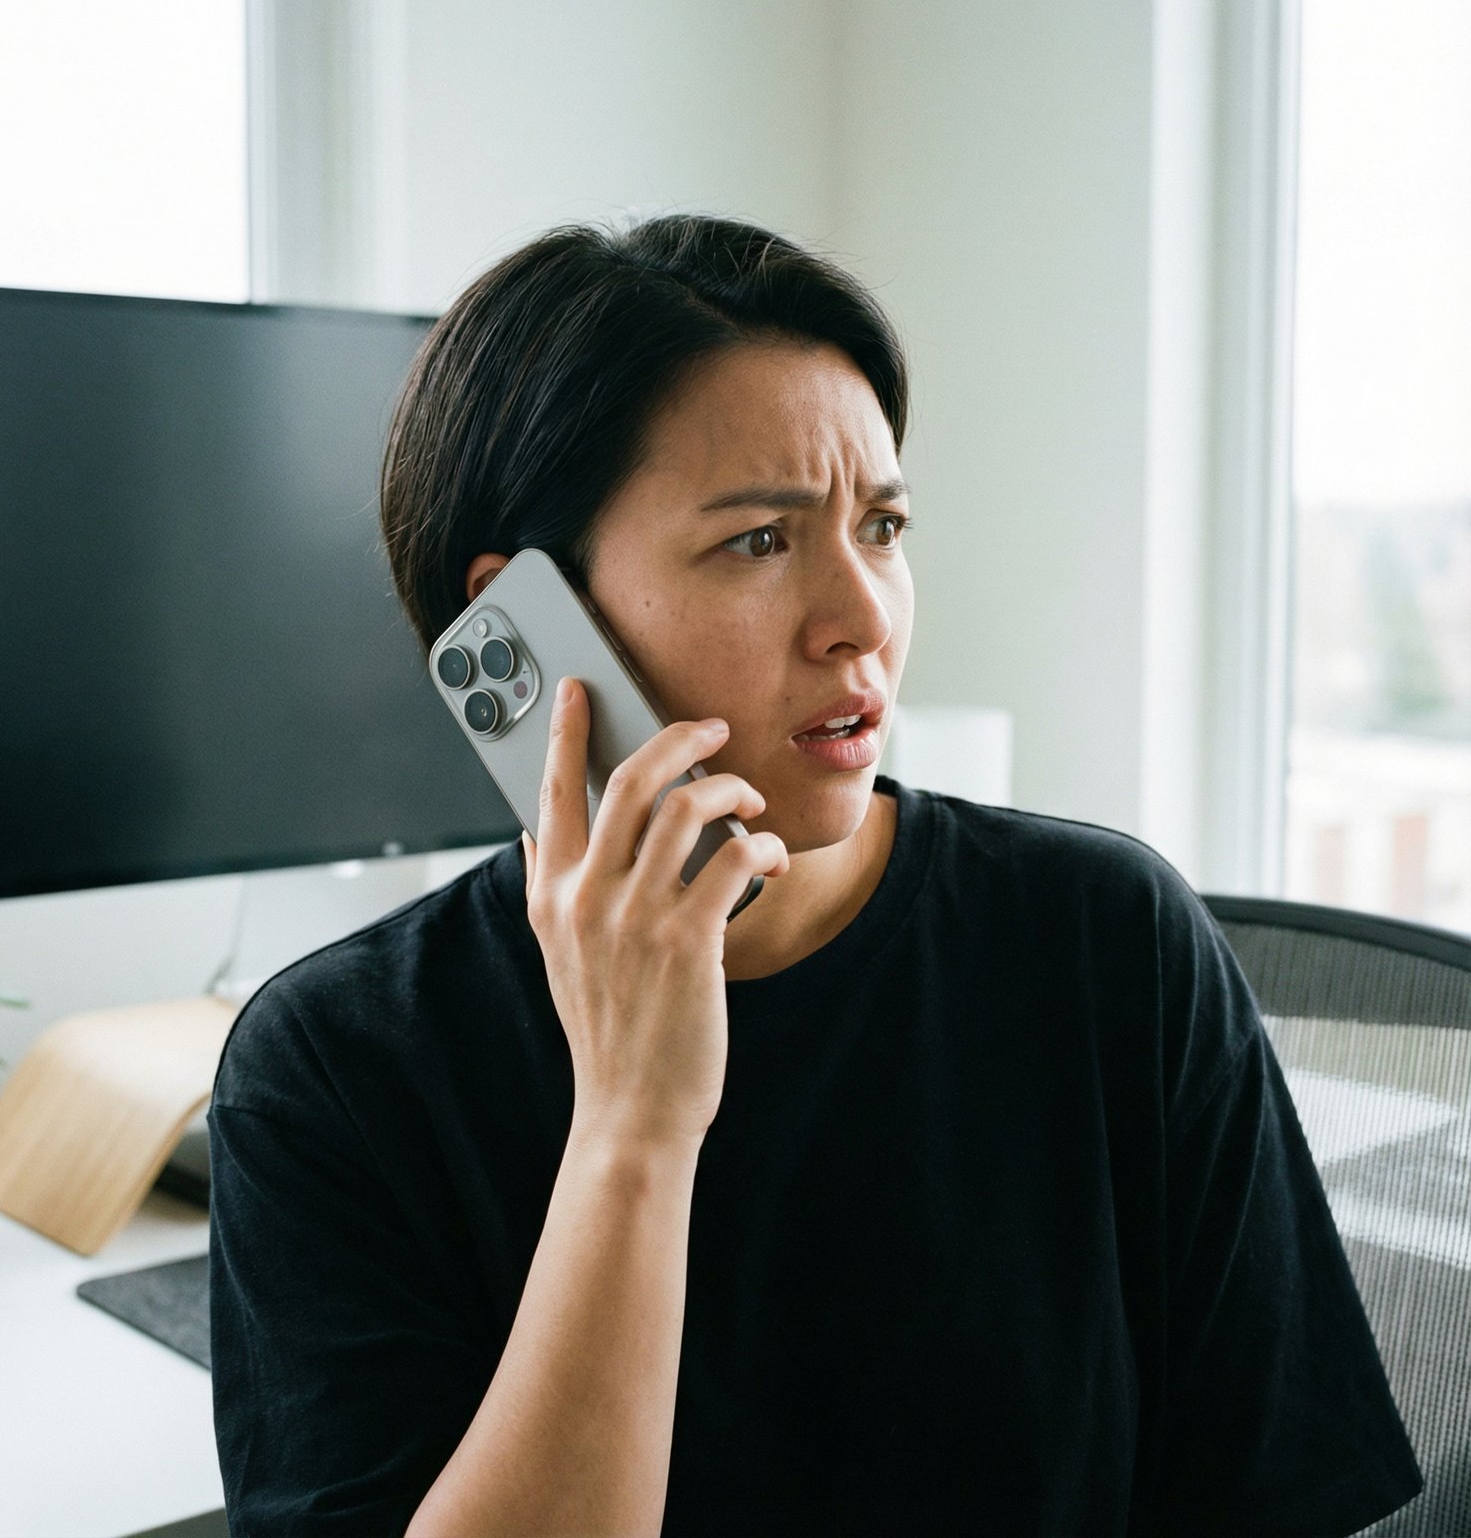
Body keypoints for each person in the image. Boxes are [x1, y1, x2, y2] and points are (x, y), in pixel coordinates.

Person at [207, 213, 1424, 1536]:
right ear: (524, 623)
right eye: (760, 542)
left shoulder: (1102, 941)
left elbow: (1281, 1499)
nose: (864, 619)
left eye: (884, 525)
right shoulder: (335, 1068)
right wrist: (632, 1128)